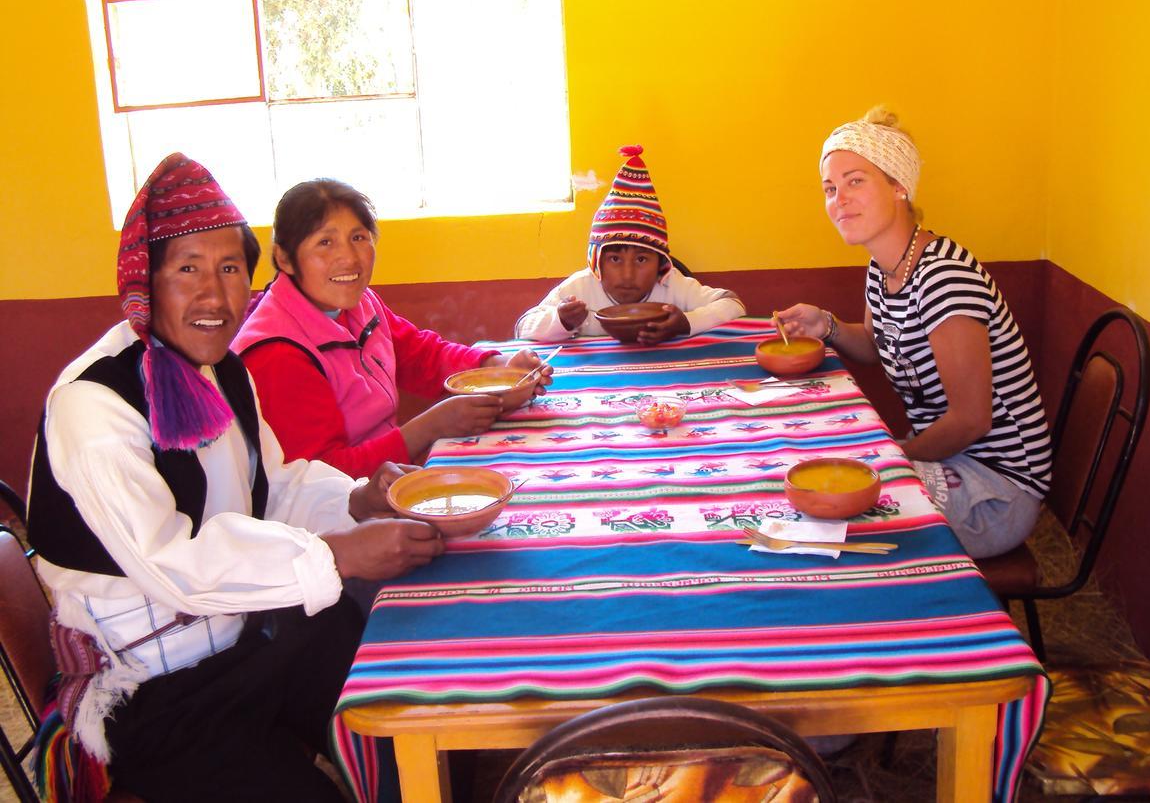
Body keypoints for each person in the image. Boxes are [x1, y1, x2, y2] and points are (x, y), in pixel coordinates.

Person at [27, 153, 444, 802]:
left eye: (228, 269)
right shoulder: (95, 403)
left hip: (245, 643)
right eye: (187, 269)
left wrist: (360, 500)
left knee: (388, 695)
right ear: (145, 282)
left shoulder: (222, 372)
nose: (215, 296)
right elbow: (173, 563)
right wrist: (337, 553)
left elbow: (272, 488)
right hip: (156, 695)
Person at [779, 108, 1051, 559]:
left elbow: (971, 420)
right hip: (947, 462)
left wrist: (895, 457)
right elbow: (874, 346)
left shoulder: (944, 276)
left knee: (834, 516)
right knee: (819, 482)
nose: (838, 199)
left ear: (899, 185)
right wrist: (824, 325)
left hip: (996, 489)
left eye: (855, 181)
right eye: (830, 188)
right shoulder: (885, 268)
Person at [233, 179, 551, 479]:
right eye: (325, 242)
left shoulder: (358, 305)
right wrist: (428, 427)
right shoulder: (276, 353)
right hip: (330, 517)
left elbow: (421, 354)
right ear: (284, 259)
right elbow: (319, 477)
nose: (348, 258)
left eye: (359, 238)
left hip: (386, 477)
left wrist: (500, 370)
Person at [515, 145, 745, 343]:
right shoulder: (582, 288)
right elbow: (522, 327)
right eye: (615, 259)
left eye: (641, 259)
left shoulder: (672, 284)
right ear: (597, 262)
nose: (627, 274)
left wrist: (687, 322)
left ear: (661, 265)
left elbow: (733, 304)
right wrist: (560, 320)